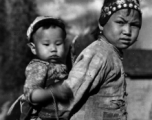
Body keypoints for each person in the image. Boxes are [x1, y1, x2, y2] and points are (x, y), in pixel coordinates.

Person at [59, 0, 142, 120]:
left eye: (134, 25)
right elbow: (68, 95)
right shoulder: (99, 54)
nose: (127, 31)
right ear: (102, 24)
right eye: (120, 22)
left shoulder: (112, 54)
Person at [20, 16, 73, 120]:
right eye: (46, 44)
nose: (53, 49)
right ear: (33, 48)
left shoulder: (62, 65)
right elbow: (31, 95)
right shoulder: (39, 66)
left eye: (58, 44)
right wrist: (52, 92)